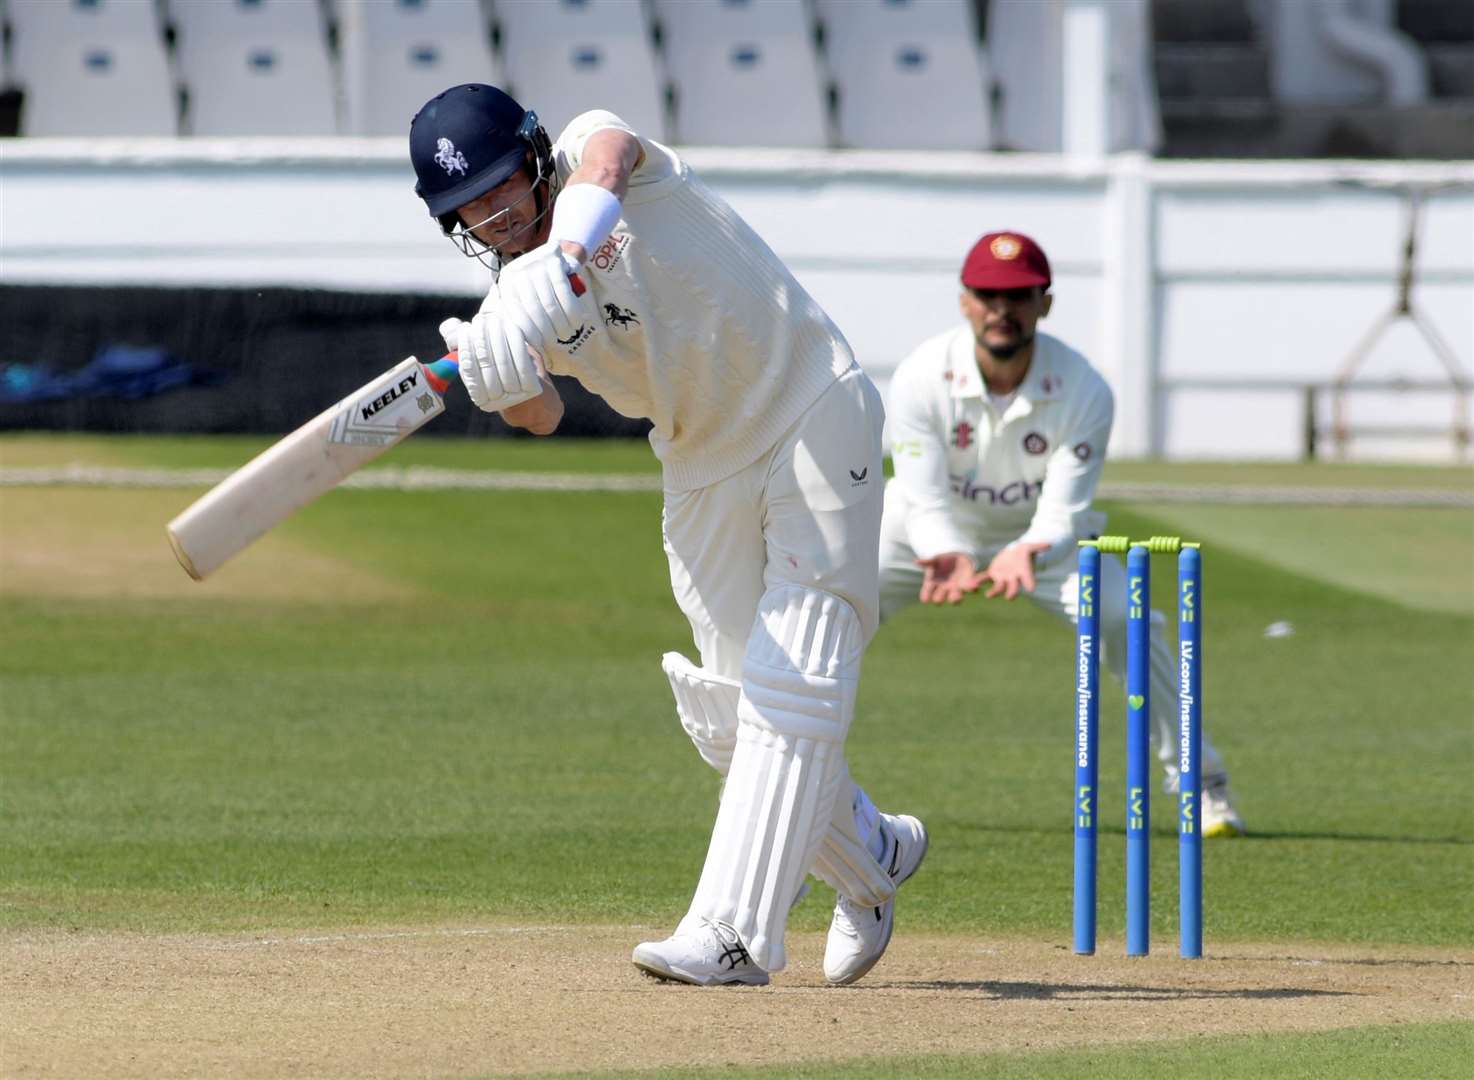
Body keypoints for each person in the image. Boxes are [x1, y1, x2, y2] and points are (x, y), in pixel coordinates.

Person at [407, 84, 928, 986]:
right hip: (696, 463)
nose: (495, 217)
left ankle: (735, 934)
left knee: (794, 673)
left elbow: (610, 156)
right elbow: (541, 415)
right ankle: (871, 859)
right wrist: (499, 374)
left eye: (502, 189)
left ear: (533, 160)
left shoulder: (591, 156)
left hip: (810, 402)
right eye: (472, 211)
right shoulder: (507, 298)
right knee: (729, 718)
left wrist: (565, 252)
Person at [880, 230, 1244, 837]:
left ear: (1044, 302)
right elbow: (920, 492)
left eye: (1019, 295)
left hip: (1045, 544)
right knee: (832, 600)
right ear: (965, 300)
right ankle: (798, 786)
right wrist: (946, 549)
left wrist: (1029, 548)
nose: (1003, 309)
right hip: (924, 535)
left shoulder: (1083, 388)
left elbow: (1065, 507)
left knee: (1126, 620)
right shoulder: (920, 375)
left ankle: (1202, 784)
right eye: (989, 295)